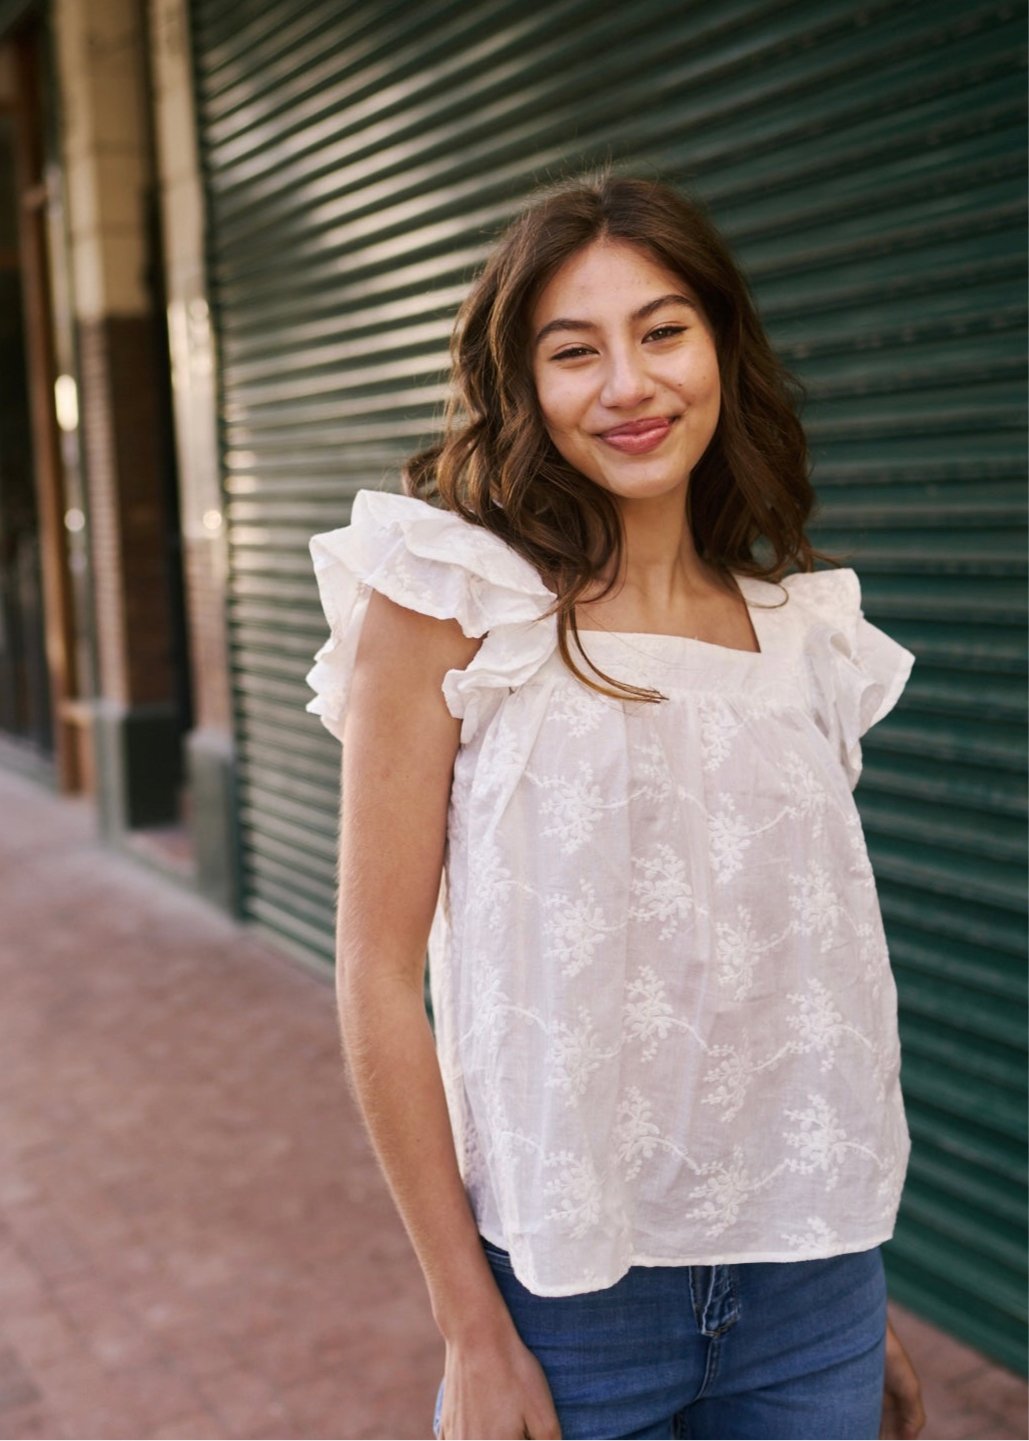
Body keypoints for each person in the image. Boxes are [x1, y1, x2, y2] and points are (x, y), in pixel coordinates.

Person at [306, 173, 927, 1441]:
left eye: (662, 331)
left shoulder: (801, 636)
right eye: (573, 350)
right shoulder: (450, 603)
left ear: (720, 348)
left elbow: (786, 1000)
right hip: (565, 1302)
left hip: (815, 1297)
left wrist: (860, 1290)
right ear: (522, 385)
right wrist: (470, 1329)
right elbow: (375, 976)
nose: (630, 386)